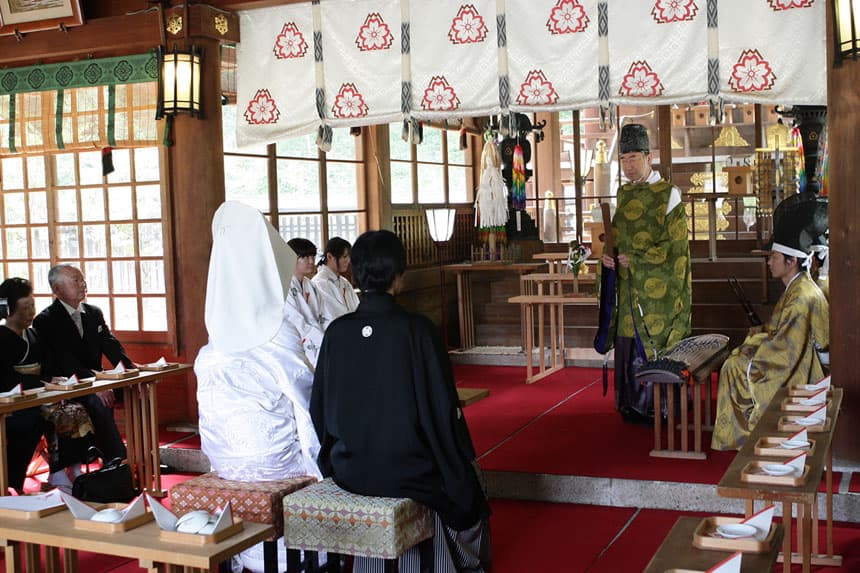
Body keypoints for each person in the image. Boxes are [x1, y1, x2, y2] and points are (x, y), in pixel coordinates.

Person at [311, 230, 492, 573]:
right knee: (467, 484)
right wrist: (458, 457)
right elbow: (443, 409)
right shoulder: (418, 330)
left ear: (356, 273)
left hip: (350, 469)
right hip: (410, 470)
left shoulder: (337, 333)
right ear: (399, 275)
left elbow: (319, 408)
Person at [196, 201, 322, 573]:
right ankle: (300, 554)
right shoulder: (274, 327)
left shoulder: (215, 331)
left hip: (222, 456)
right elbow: (305, 401)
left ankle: (244, 554)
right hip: (273, 459)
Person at [712, 199, 830, 451]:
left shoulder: (801, 297)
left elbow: (785, 352)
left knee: (733, 366)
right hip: (801, 357)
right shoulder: (798, 288)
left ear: (792, 261)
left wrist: (749, 355)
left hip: (806, 369)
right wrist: (760, 334)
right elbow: (779, 332)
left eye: (773, 257)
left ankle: (745, 438)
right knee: (737, 359)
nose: (769, 262)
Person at [600, 123, 692, 424]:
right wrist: (609, 257)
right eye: (623, 159)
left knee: (654, 341)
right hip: (627, 287)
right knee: (627, 338)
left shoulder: (669, 195)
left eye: (633, 158)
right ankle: (632, 404)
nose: (628, 166)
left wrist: (637, 259)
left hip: (659, 292)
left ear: (649, 157)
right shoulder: (623, 194)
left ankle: (660, 407)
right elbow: (613, 237)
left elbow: (675, 249)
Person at [33, 264, 132, 478]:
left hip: (95, 379)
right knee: (99, 401)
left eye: (82, 279)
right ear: (57, 289)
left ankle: (138, 455)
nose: (83, 284)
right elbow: (64, 360)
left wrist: (132, 372)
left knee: (134, 390)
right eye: (75, 280)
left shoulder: (93, 313)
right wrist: (94, 385)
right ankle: (117, 462)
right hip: (65, 384)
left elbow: (111, 345)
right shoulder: (46, 319)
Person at [0, 278, 48, 493]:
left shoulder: (34, 333)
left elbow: (47, 365)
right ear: (8, 309)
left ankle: (64, 471)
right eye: (25, 307)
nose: (31, 313)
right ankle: (12, 480)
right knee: (30, 421)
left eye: (33, 306)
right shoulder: (1, 337)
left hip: (38, 395)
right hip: (11, 402)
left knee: (74, 411)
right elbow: (4, 377)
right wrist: (41, 383)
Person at [285, 237, 328, 366]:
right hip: (293, 343)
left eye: (312, 256)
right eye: (305, 257)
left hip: (316, 339)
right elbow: (296, 320)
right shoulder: (284, 286)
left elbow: (322, 315)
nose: (311, 261)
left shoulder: (312, 286)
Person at [312, 237, 360, 320]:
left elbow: (357, 306)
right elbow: (335, 314)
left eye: (349, 256)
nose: (348, 261)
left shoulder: (344, 282)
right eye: (344, 257)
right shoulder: (320, 283)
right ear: (329, 257)